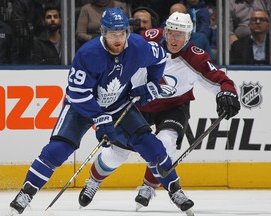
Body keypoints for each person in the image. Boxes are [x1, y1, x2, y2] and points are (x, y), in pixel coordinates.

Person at [8, 7, 195, 216]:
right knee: (58, 149)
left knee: (152, 146)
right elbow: (78, 93)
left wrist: (152, 84)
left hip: (118, 104)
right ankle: (26, 193)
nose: (118, 39)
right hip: (82, 107)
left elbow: (160, 57)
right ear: (103, 33)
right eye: (113, 34)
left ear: (127, 32)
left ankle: (175, 190)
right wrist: (99, 117)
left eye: (122, 34)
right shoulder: (88, 53)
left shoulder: (137, 47)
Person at [78, 11, 240, 215]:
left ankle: (148, 186)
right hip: (138, 102)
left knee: (165, 144)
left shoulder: (196, 57)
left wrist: (228, 93)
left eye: (179, 34)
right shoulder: (149, 40)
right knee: (117, 154)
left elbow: (219, 78)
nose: (173, 38)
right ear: (164, 31)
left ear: (188, 36)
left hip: (173, 106)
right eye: (171, 32)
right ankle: (93, 181)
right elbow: (121, 46)